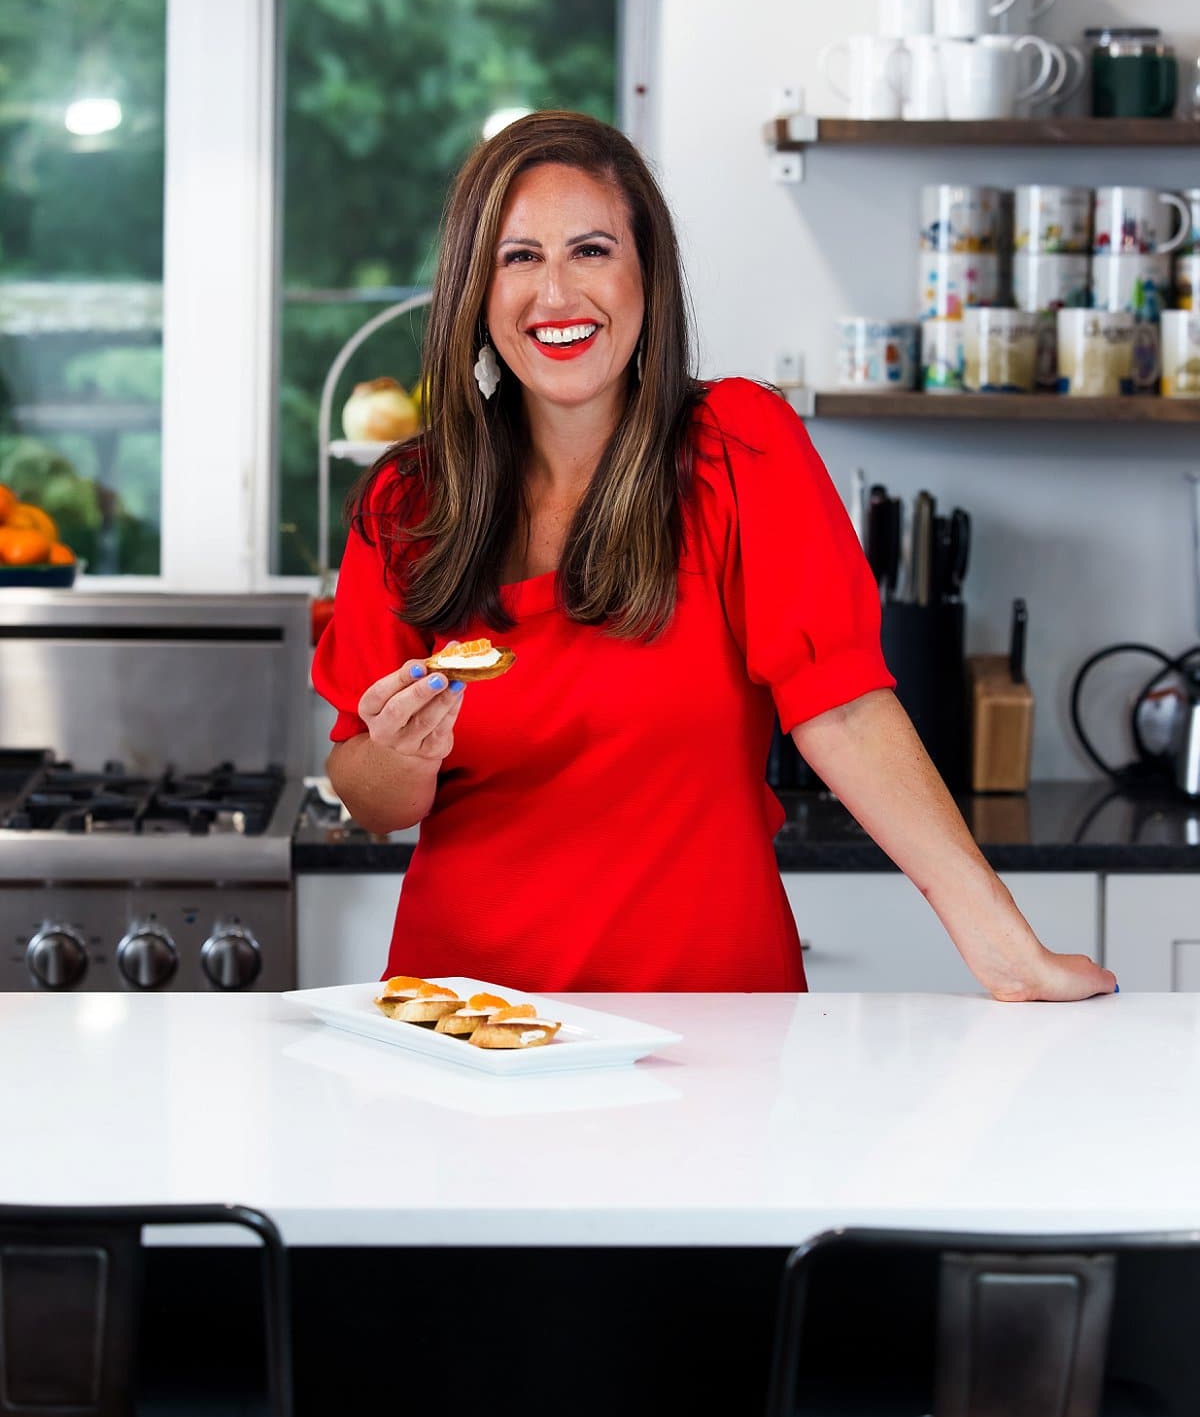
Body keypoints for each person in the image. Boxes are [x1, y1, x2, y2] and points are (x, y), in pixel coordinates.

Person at [312, 110, 1115, 1001]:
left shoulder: (740, 448)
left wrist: (1002, 943)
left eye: (591, 250)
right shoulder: (408, 500)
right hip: (461, 1018)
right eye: (518, 256)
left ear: (646, 276)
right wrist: (402, 755)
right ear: (474, 286)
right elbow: (372, 793)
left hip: (710, 1024)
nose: (557, 294)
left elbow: (843, 710)